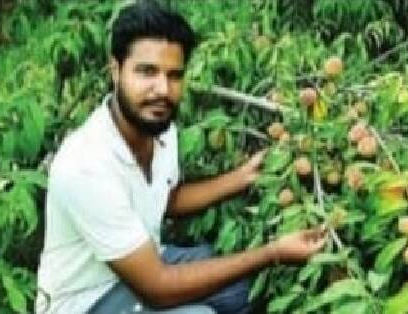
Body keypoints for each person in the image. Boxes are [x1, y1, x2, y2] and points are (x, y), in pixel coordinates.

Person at [35, 1, 326, 313]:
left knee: (246, 289)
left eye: (174, 75)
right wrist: (273, 252)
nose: (162, 89)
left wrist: (242, 177)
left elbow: (167, 199)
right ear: (116, 71)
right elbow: (157, 288)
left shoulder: (159, 127)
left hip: (144, 260)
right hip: (87, 301)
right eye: (147, 72)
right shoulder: (86, 164)